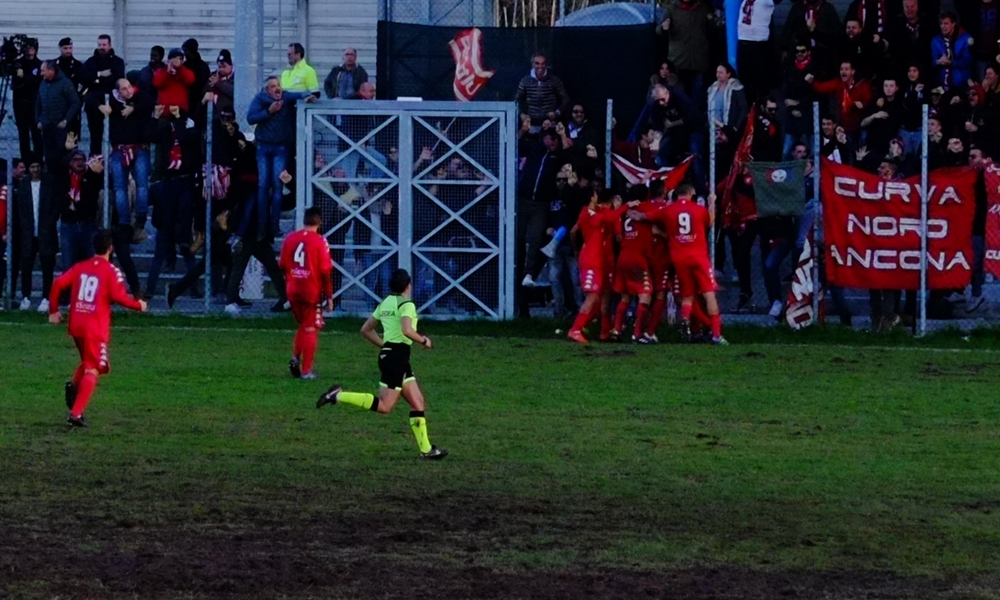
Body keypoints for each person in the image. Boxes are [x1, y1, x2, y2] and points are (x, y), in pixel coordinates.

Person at [316, 268, 448, 461]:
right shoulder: (407, 305)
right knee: (385, 406)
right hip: (396, 359)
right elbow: (407, 330)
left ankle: (426, 450)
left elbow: (366, 329)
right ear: (408, 286)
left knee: (418, 402)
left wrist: (385, 346)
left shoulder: (386, 302)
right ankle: (338, 395)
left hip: (394, 357)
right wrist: (424, 340)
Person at [48, 229, 148, 427]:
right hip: (94, 326)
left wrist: (54, 311)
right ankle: (76, 413)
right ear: (111, 248)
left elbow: (58, 283)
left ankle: (74, 385)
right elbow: (119, 297)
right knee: (95, 368)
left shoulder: (81, 267)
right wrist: (139, 305)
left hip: (77, 323)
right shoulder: (111, 271)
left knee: (89, 361)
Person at [657, 183, 727, 344]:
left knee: (687, 295)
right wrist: (712, 203)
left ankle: (685, 319)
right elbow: (710, 221)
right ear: (690, 193)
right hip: (698, 257)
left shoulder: (668, 210)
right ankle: (716, 334)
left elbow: (647, 217)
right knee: (709, 294)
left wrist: (632, 212)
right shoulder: (698, 209)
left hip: (679, 258)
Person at [566, 187, 629, 344]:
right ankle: (576, 329)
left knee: (601, 296)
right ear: (591, 198)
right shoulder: (589, 214)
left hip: (599, 260)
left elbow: (574, 231)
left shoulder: (595, 212)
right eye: (595, 195)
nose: (597, 197)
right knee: (593, 296)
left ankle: (598, 330)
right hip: (592, 260)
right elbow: (609, 220)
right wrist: (625, 207)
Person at [279, 207, 334, 380]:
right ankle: (306, 371)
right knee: (311, 328)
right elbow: (325, 271)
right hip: (310, 290)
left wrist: (291, 279)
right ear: (320, 222)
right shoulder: (320, 241)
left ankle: (295, 357)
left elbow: (282, 265)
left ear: (304, 221)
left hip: (293, 288)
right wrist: (329, 296)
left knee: (304, 324)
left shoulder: (290, 238)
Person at [14, 155, 59, 313]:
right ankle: (26, 296)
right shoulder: (23, 184)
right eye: (32, 167)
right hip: (28, 233)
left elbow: (55, 205)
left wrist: (50, 222)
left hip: (46, 231)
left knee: (47, 266)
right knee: (26, 266)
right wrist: (24, 225)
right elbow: (20, 208)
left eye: (37, 166)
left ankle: (46, 297)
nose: (35, 170)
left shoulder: (50, 182)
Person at [80, 35, 126, 157]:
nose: (101, 47)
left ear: (109, 45)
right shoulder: (91, 62)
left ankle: (115, 163)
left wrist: (95, 80)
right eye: (99, 44)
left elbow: (117, 79)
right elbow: (83, 78)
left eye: (104, 45)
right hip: (94, 106)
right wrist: (99, 74)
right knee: (95, 138)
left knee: (115, 137)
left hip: (114, 105)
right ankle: (95, 163)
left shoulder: (118, 62)